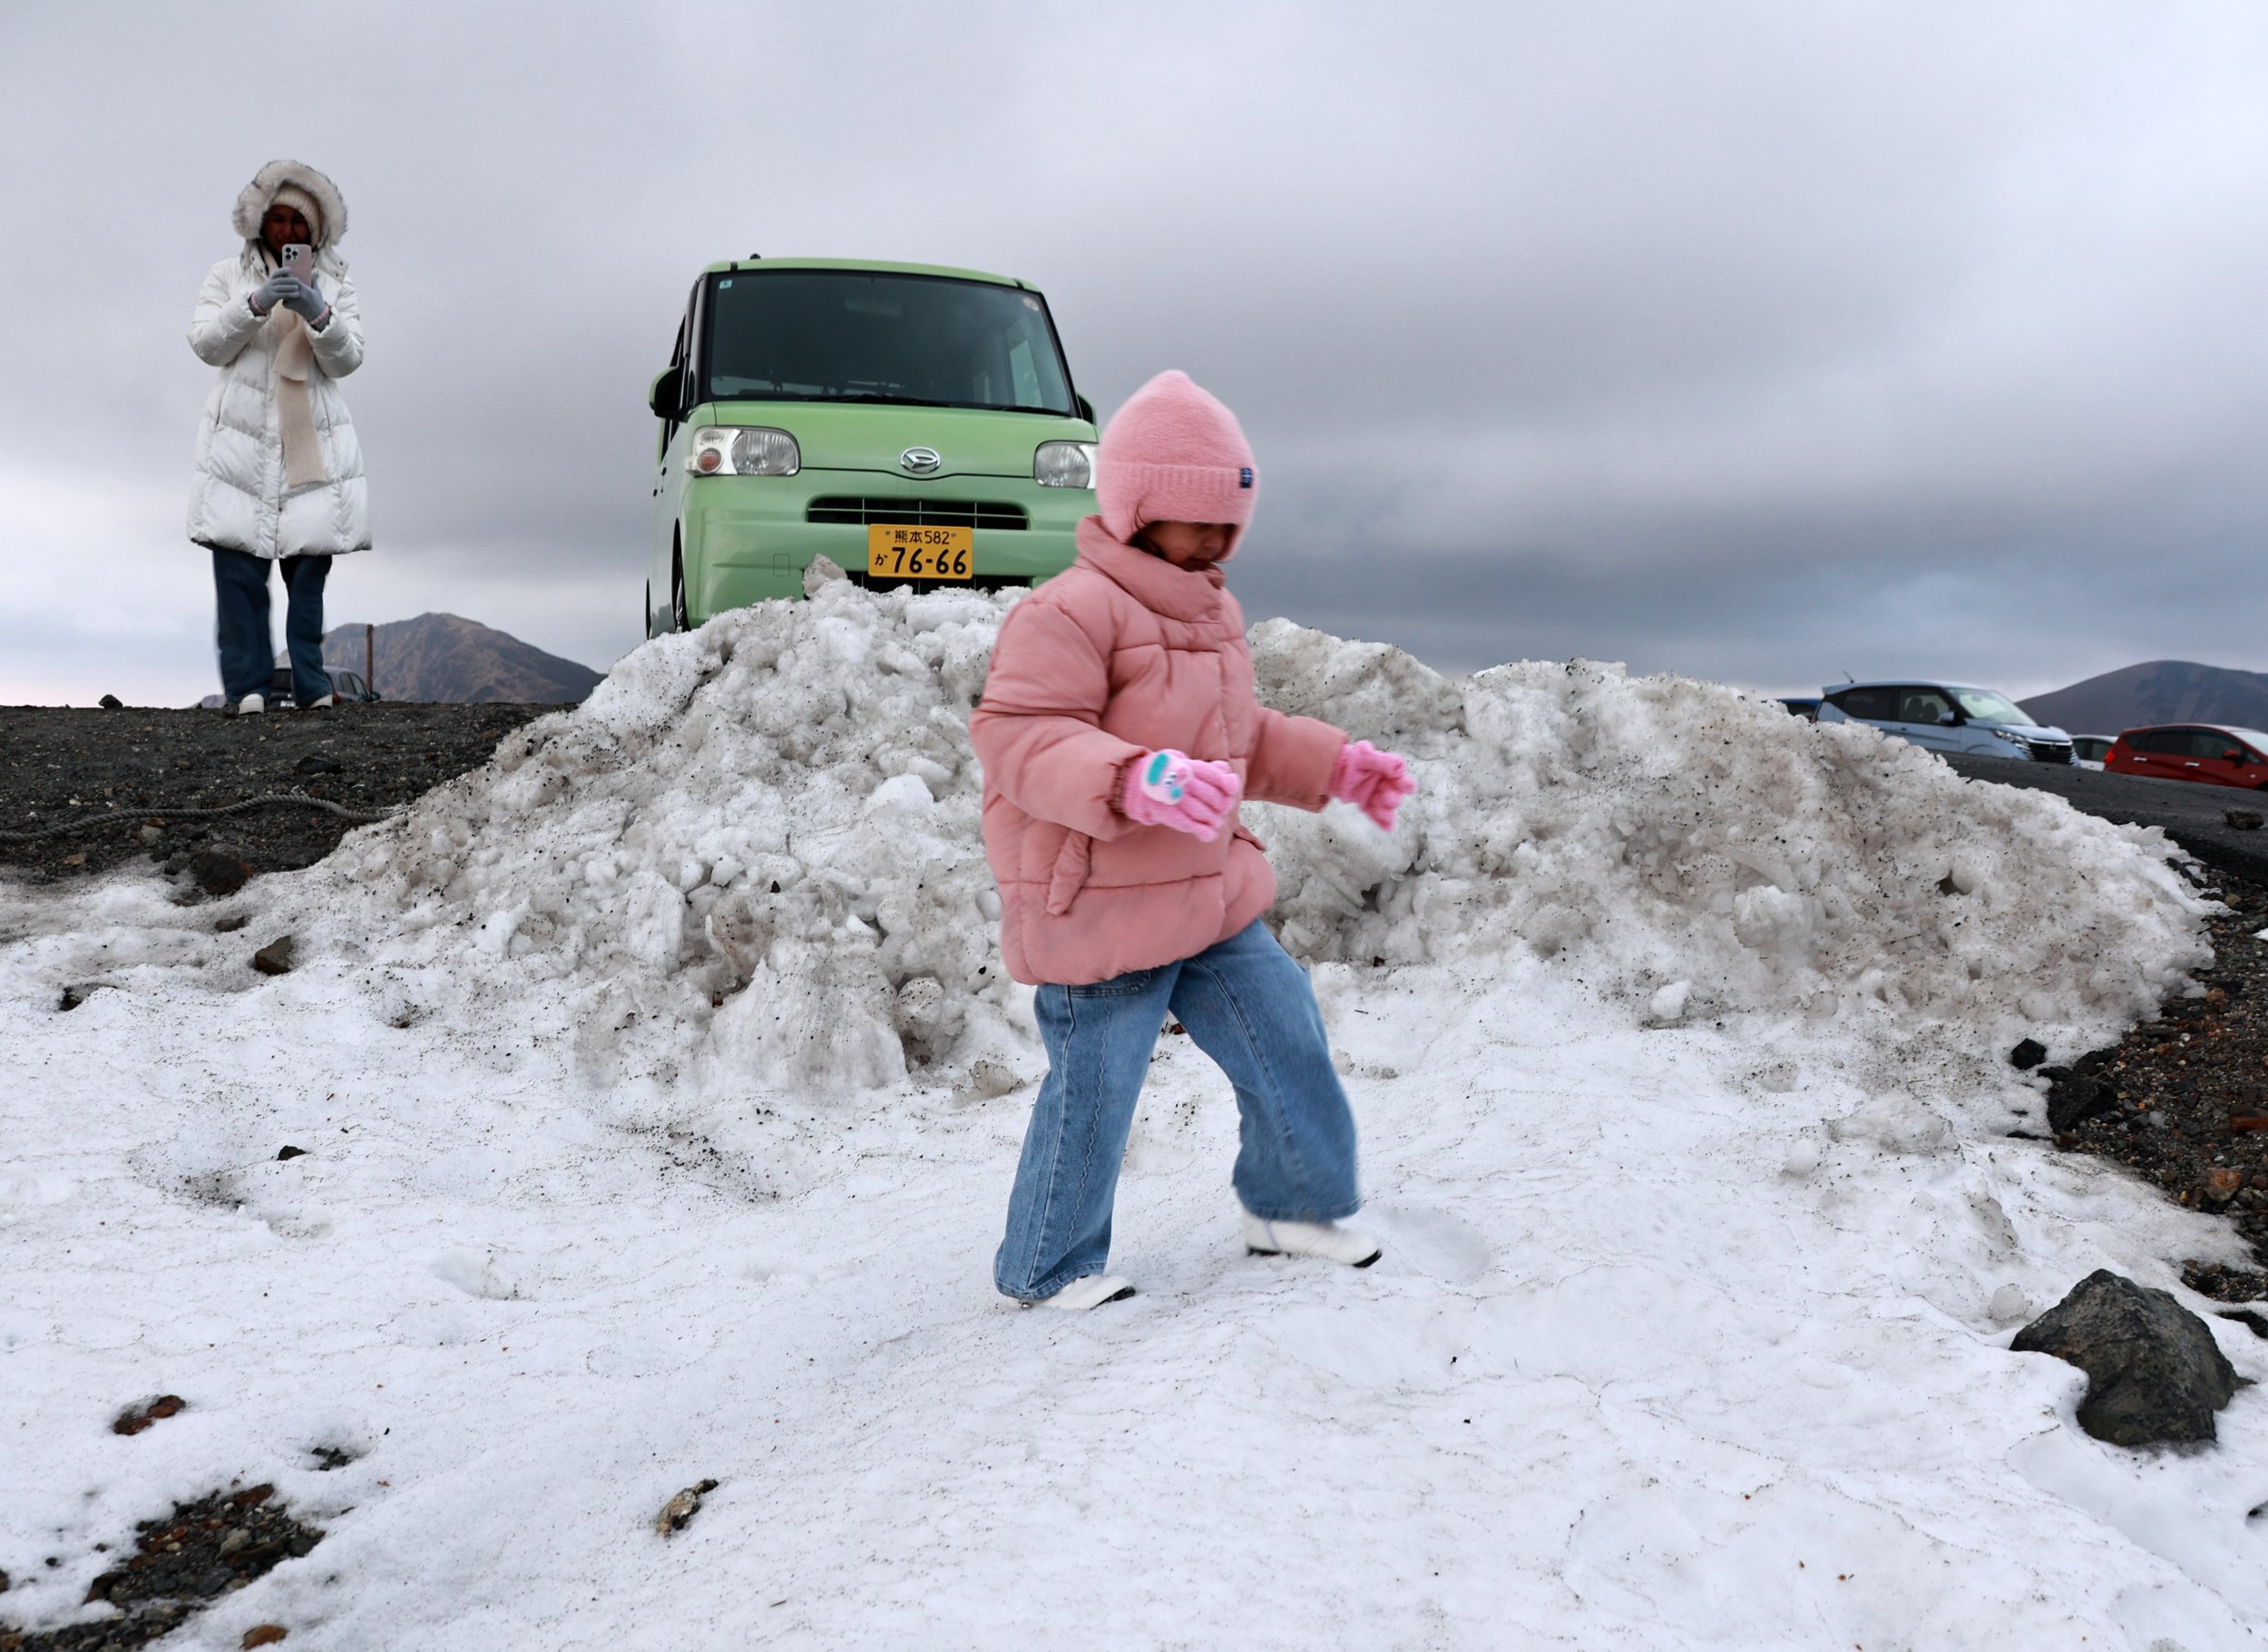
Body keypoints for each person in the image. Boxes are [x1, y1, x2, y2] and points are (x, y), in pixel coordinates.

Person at [970, 369, 1419, 1311]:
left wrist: (1336, 767)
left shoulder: (1211, 617)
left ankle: (1289, 1207)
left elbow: (1238, 739)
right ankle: (1046, 1266)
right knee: (1095, 1092)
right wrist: (1133, 778)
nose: (1217, 541)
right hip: (1101, 907)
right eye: (1194, 520)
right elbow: (1018, 738)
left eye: (1229, 523)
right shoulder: (1067, 611)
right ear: (1134, 508)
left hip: (1208, 896)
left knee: (1286, 1037)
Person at [186, 160, 368, 714]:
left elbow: (348, 360)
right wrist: (257, 303)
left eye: (299, 223)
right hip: (240, 445)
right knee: (239, 571)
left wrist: (319, 312)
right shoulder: (226, 275)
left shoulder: (337, 283)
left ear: (315, 231)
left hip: (309, 443)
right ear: (259, 221)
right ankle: (248, 690)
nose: (287, 231)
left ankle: (311, 684)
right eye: (278, 219)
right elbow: (206, 345)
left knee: (308, 572)